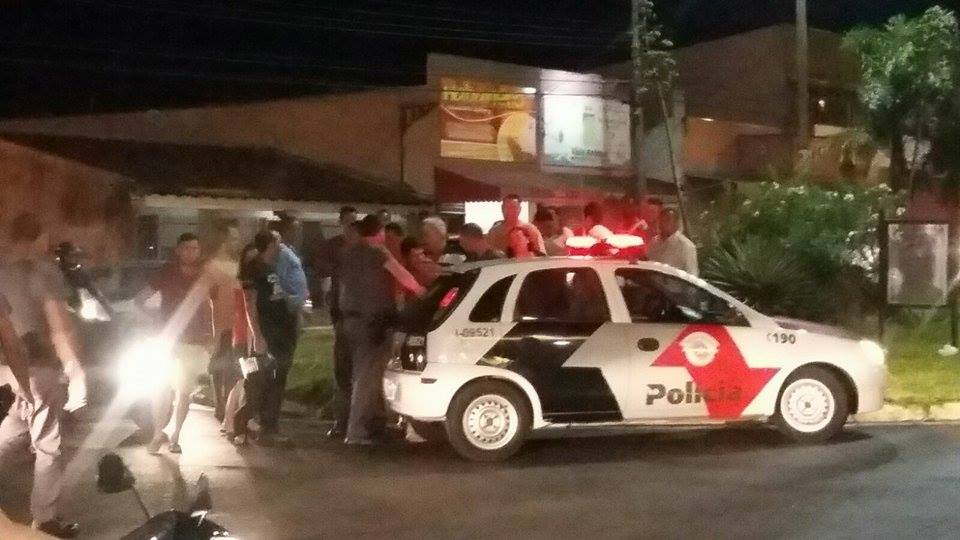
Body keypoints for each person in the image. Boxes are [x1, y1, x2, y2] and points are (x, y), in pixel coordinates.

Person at [0, 213, 86, 538]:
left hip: (6, 368)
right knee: (48, 443)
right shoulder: (42, 269)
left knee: (15, 427)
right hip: (34, 365)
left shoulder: (2, 268)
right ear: (39, 237)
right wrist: (75, 369)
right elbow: (58, 325)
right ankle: (44, 518)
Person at [338, 215, 425, 445]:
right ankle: (356, 432)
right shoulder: (378, 251)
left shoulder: (349, 252)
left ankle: (372, 425)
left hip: (350, 321)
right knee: (366, 377)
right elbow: (403, 276)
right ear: (380, 232)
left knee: (363, 374)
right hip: (372, 322)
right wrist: (423, 293)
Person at [136, 233, 217, 455]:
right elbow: (140, 299)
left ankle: (176, 435)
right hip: (168, 341)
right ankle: (157, 434)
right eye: (187, 248)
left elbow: (210, 306)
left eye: (195, 249)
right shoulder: (167, 272)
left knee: (184, 393)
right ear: (178, 250)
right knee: (161, 389)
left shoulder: (204, 275)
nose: (192, 253)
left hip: (194, 341)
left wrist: (210, 336)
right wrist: (154, 320)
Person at [244, 231, 300, 444]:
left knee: (279, 378)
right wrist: (257, 334)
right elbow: (250, 303)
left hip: (283, 331)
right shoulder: (255, 268)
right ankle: (265, 426)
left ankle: (269, 424)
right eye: (278, 242)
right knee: (268, 379)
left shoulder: (274, 267)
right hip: (269, 332)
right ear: (269, 245)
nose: (281, 246)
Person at [222, 243, 268, 446]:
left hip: (244, 337)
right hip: (243, 339)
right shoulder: (244, 283)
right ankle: (232, 422)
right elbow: (246, 310)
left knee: (245, 381)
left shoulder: (248, 281)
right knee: (244, 381)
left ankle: (235, 421)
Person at [206, 225, 242, 425]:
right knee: (218, 367)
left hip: (237, 325)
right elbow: (208, 298)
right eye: (233, 238)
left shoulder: (238, 265)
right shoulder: (213, 267)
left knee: (232, 368)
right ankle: (220, 404)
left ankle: (227, 405)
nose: (237, 242)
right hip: (219, 326)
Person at [647, 208, 698, 276]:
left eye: (667, 220)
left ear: (676, 223)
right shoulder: (654, 242)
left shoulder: (686, 246)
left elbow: (692, 277)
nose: (663, 223)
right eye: (661, 220)